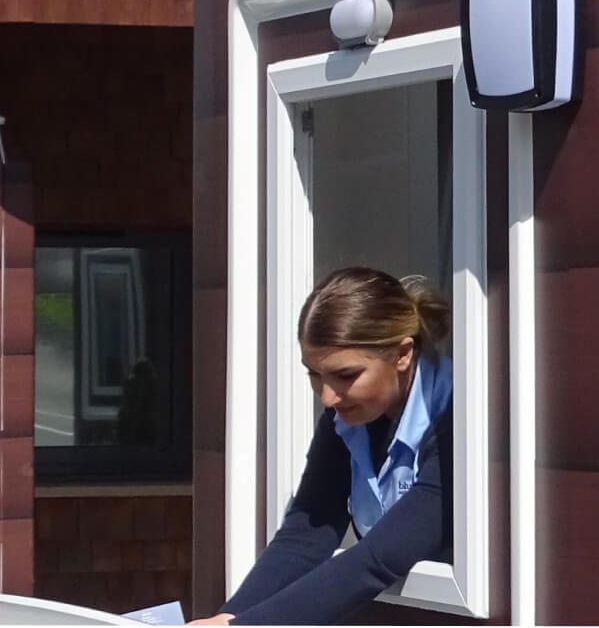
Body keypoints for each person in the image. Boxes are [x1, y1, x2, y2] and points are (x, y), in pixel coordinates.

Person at [189, 266, 453, 626]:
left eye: (346, 376)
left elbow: (380, 558)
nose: (328, 398)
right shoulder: (347, 414)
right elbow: (308, 532)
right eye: (314, 374)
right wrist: (229, 615)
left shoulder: (456, 417)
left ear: (403, 354)